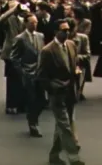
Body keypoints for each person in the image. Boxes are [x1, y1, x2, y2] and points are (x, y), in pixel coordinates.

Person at [38, 20, 84, 165]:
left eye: (68, 30)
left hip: (70, 91)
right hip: (57, 94)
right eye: (63, 30)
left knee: (61, 126)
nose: (66, 32)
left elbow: (73, 64)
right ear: (55, 32)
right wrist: (52, 88)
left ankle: (54, 156)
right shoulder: (47, 50)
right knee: (64, 125)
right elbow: (41, 75)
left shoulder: (71, 45)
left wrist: (76, 71)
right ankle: (74, 157)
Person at [9, 13, 45, 137]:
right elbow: (14, 57)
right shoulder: (20, 38)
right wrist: (22, 71)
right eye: (31, 22)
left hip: (40, 72)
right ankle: (33, 123)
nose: (34, 25)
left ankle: (34, 119)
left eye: (36, 22)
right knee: (32, 99)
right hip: (28, 73)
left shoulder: (40, 36)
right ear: (25, 23)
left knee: (43, 100)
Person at [0, 1, 26, 114]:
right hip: (10, 53)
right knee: (12, 80)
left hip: (22, 51)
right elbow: (0, 20)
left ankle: (21, 104)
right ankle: (11, 104)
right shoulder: (8, 19)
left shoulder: (23, 18)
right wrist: (12, 10)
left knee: (22, 79)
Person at [66, 18, 92, 102]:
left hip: (78, 65)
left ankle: (78, 93)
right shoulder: (61, 37)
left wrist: (75, 57)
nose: (68, 33)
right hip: (65, 66)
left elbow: (87, 54)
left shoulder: (83, 38)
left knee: (77, 84)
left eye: (70, 30)